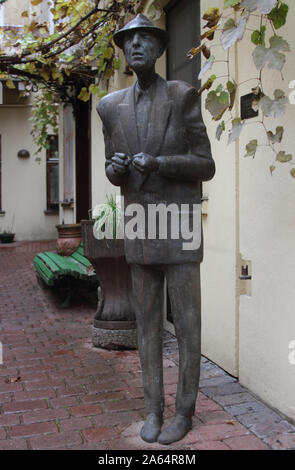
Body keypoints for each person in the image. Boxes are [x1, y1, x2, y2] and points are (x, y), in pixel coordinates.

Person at [97, 14, 215, 445]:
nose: (137, 46)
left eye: (146, 39)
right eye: (129, 41)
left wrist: (162, 164)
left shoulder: (182, 96)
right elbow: (113, 170)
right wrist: (115, 170)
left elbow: (206, 165)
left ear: (160, 49)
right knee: (146, 325)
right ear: (124, 51)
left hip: (179, 223)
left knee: (186, 324)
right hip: (139, 225)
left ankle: (184, 412)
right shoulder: (109, 107)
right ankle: (152, 409)